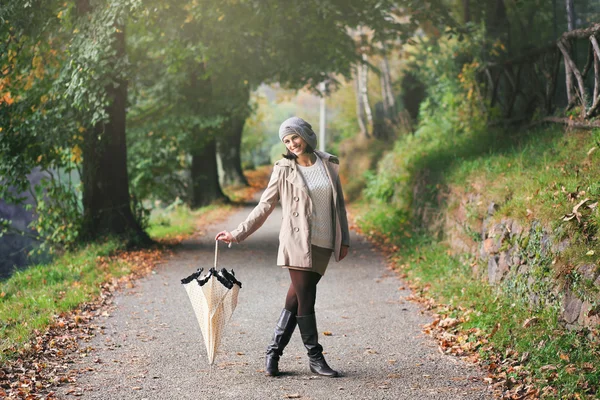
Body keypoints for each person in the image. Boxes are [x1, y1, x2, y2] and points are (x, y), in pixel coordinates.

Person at [215, 116, 350, 378]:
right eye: (287, 141)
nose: (292, 144)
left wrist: (343, 239)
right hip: (298, 242)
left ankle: (273, 353)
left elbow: (339, 205)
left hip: (323, 243)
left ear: (305, 135)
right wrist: (237, 233)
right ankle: (315, 358)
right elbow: (265, 206)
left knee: (295, 298)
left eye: (294, 137)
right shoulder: (284, 168)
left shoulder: (328, 163)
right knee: (307, 299)